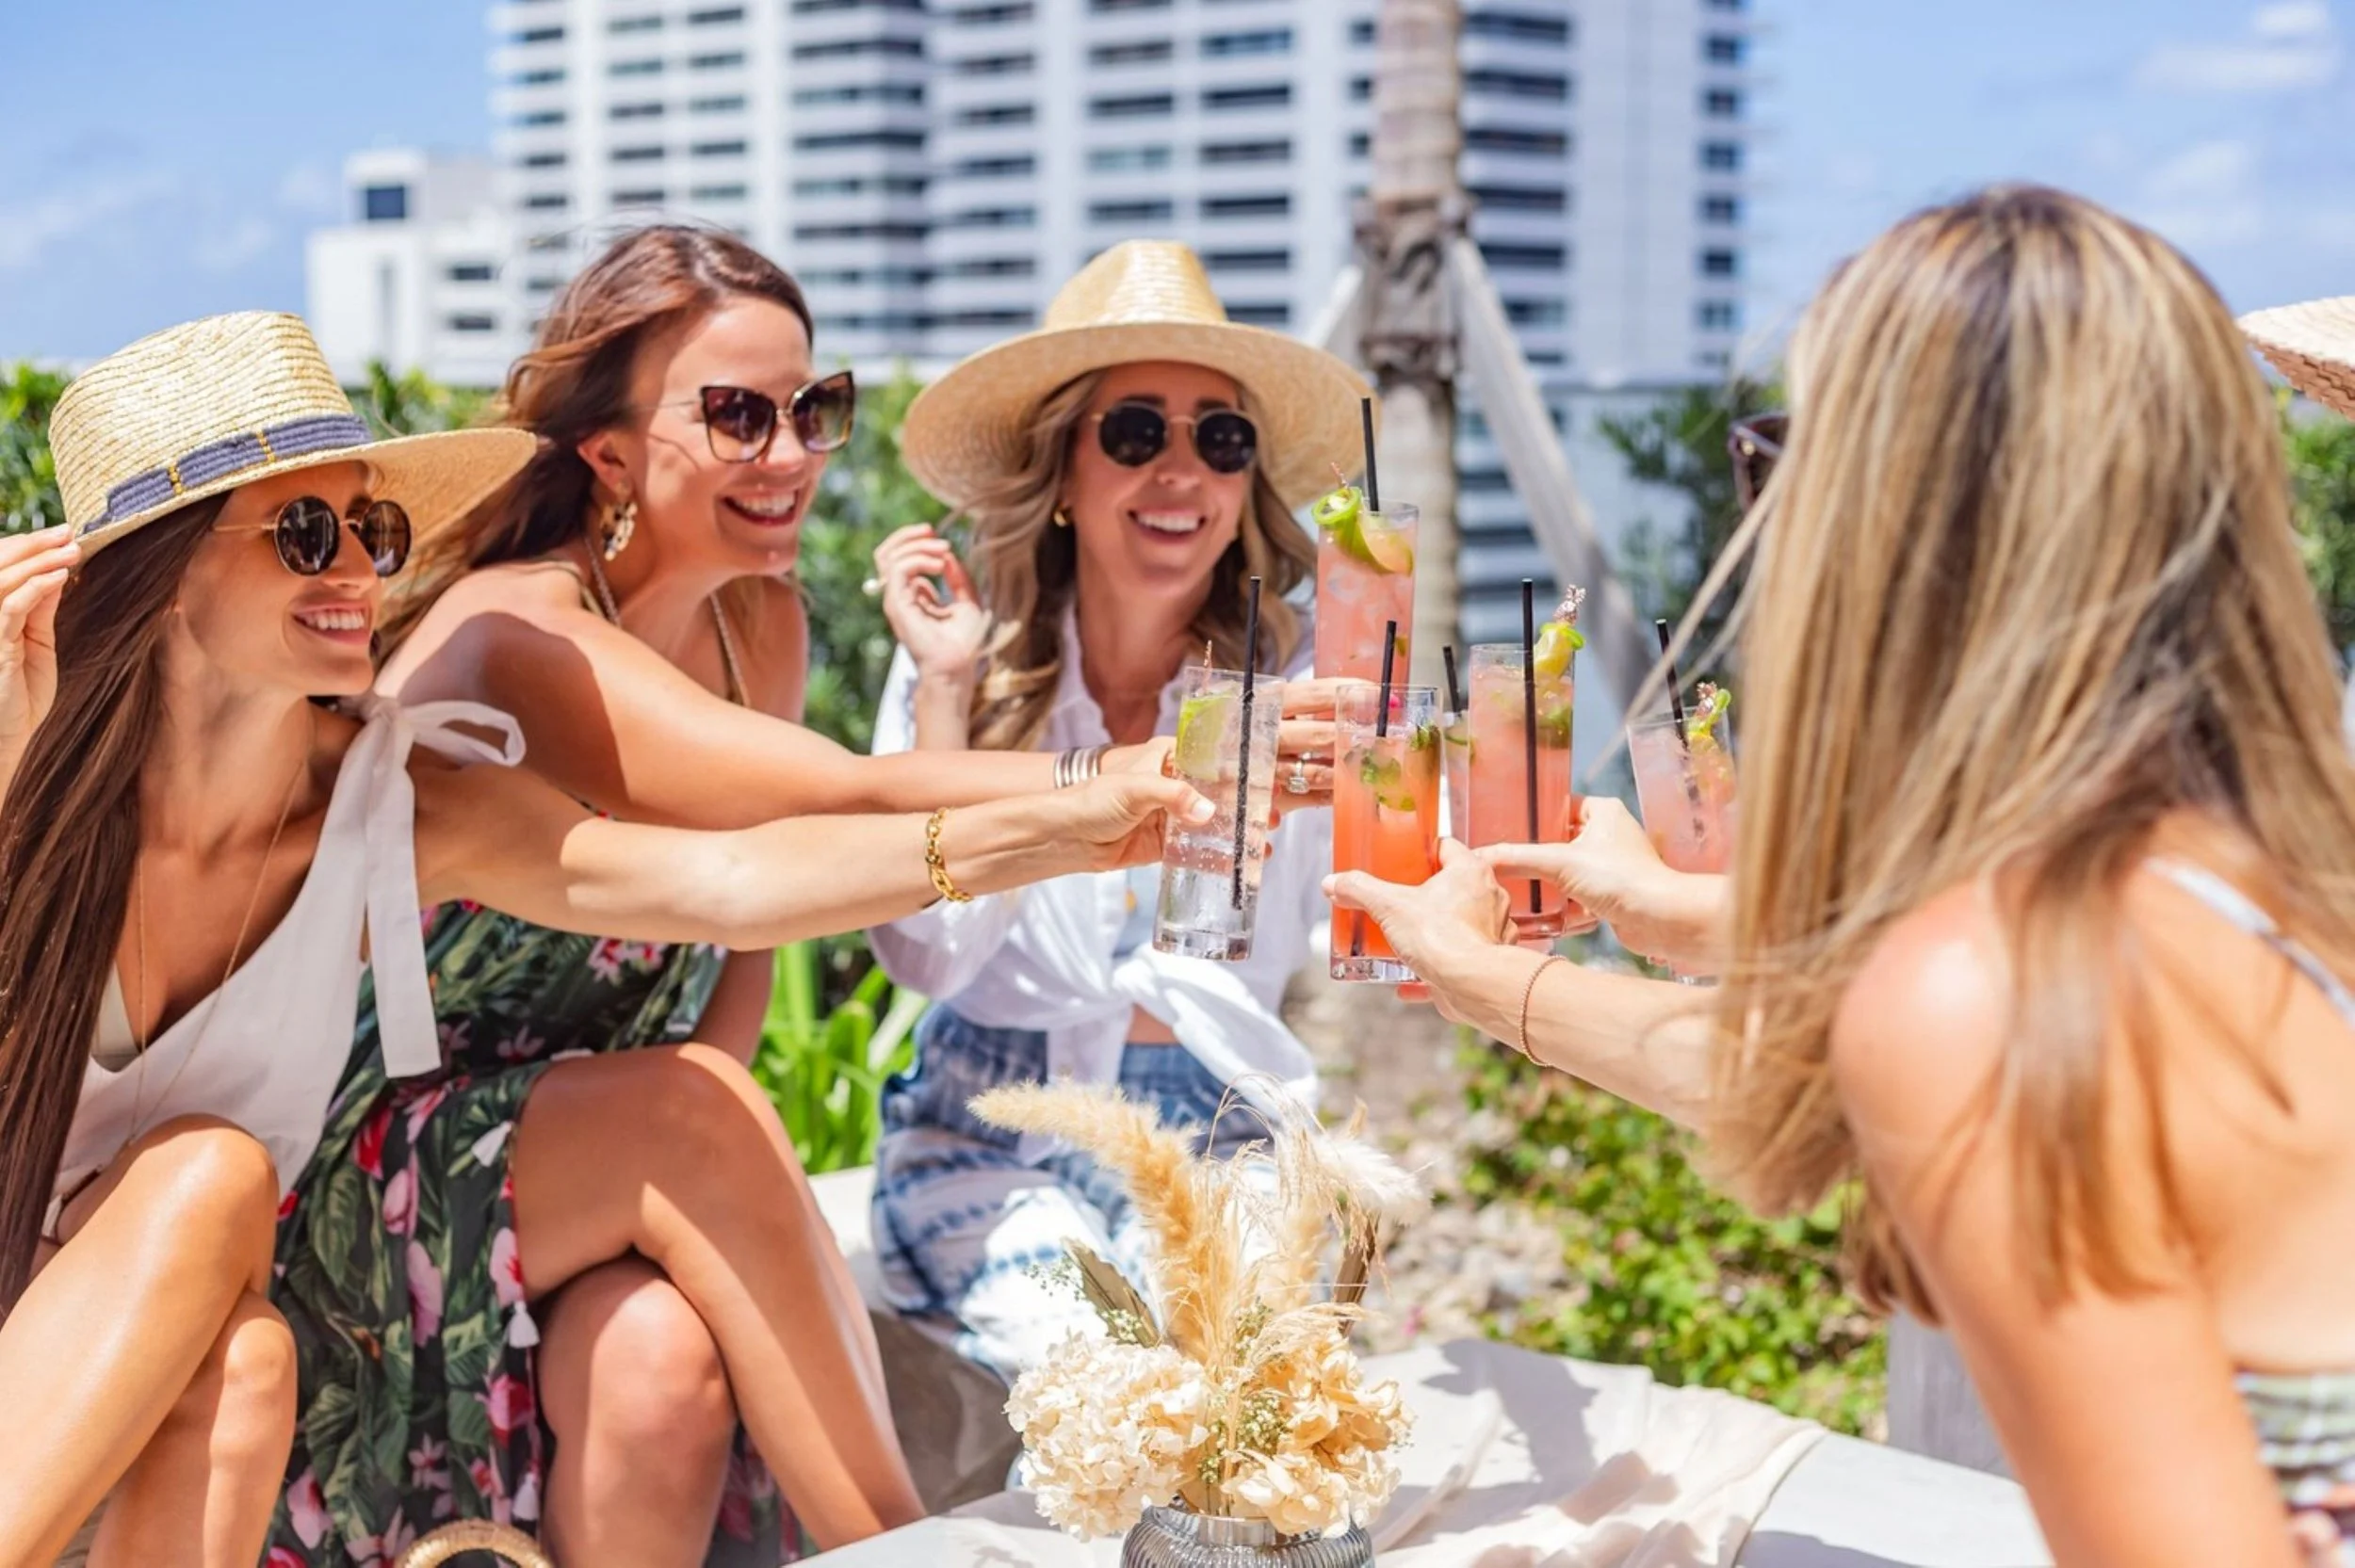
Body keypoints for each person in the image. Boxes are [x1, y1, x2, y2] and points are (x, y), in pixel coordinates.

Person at [0, 312, 1208, 1568]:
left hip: (239, 1308)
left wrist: (1080, 830)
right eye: (308, 532)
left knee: (245, 1363)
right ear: (159, 573)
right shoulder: (27, 786)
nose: (359, 568)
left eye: (378, 527)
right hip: (59, 1300)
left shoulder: (394, 804)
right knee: (211, 1175)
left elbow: (729, 882)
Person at [1329, 187, 2355, 1564]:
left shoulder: (1982, 991)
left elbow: (1797, 1071)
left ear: (1882, 526)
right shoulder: (2276, 856)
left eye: (1778, 463)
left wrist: (1486, 979)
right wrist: (1669, 920)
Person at [862, 239, 1368, 1382]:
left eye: (1221, 438)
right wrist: (944, 694)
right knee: (1107, 1373)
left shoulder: (1305, 688)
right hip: (993, 1136)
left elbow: (1380, 915)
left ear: (1247, 487)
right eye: (1136, 432)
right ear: (1065, 474)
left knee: (1256, 1397)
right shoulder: (960, 670)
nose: (1181, 471)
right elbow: (924, 962)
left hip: (1222, 1134)